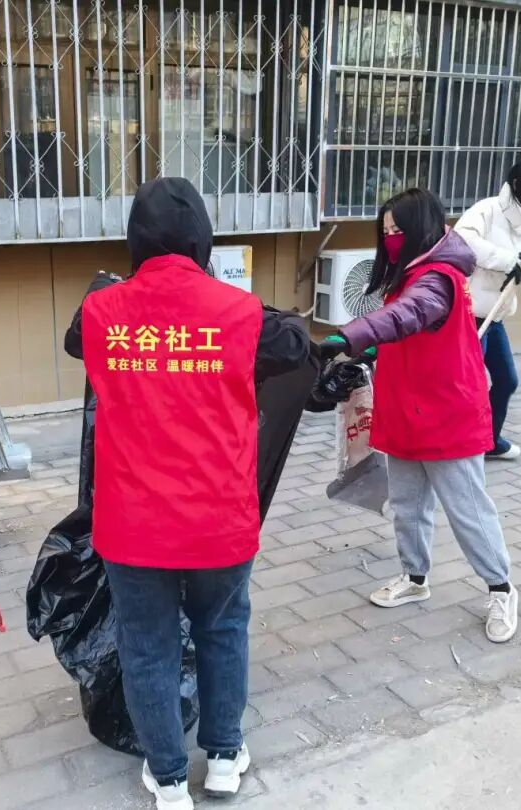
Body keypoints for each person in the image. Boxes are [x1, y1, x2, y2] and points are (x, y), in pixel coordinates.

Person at [64, 177, 310, 810]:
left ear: (135, 239)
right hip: (218, 521)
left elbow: (73, 340)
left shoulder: (100, 313)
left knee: (147, 645)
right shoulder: (243, 314)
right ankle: (224, 758)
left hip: (133, 524)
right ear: (203, 239)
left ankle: (169, 779)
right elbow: (296, 343)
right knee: (223, 628)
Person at [325, 188, 519, 644]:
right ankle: (415, 578)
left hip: (447, 415)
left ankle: (501, 588)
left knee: (468, 511)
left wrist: (350, 336)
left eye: (398, 230)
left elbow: (410, 313)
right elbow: (407, 330)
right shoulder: (410, 273)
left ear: (421, 229)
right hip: (406, 411)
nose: (391, 238)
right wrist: (371, 350)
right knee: (408, 505)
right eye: (386, 231)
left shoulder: (438, 277)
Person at [454, 157, 521, 460]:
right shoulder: (486, 210)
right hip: (468, 317)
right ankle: (461, 445)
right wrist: (510, 260)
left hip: (495, 316)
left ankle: (488, 441)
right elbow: (463, 242)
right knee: (468, 386)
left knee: (507, 380)